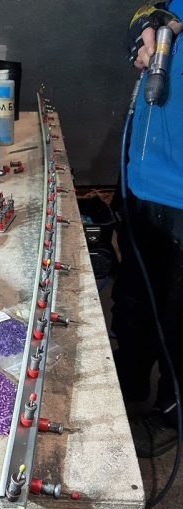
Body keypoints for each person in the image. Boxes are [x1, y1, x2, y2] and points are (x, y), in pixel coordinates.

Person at [111, 1, 183, 457]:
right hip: (142, 172)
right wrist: (147, 28)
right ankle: (130, 382)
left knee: (180, 316)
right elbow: (148, 8)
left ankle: (172, 414)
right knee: (136, 292)